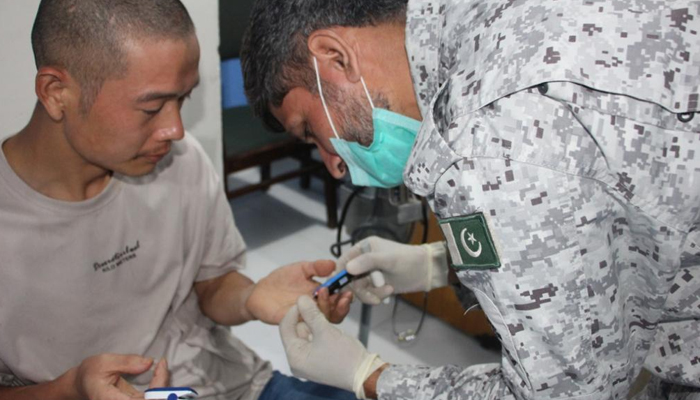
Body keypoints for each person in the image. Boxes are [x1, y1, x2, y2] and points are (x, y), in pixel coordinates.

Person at [240, 0, 700, 399]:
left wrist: (370, 376)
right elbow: (605, 219)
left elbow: (571, 392)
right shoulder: (492, 26)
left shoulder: (485, 140)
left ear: (334, 57)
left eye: (309, 130)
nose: (333, 164)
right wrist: (437, 265)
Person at [0, 1, 356, 400]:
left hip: (235, 387)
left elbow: (213, 285)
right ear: (56, 92)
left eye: (183, 100)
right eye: (151, 108)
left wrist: (251, 298)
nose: (175, 129)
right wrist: (70, 390)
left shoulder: (178, 160)